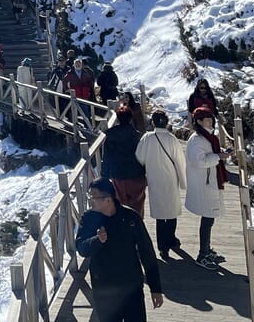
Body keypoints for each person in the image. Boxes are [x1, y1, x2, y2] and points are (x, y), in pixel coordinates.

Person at [75, 178, 164, 322]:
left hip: (131, 287)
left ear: (108, 199)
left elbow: (146, 252)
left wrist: (156, 288)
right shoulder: (89, 218)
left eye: (93, 197)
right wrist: (97, 240)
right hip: (104, 290)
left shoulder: (130, 217)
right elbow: (81, 248)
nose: (90, 200)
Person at [136, 110, 187, 258]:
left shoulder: (147, 138)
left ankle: (162, 246)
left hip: (154, 178)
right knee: (171, 211)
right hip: (170, 178)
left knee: (160, 213)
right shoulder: (172, 139)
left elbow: (139, 157)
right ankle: (171, 239)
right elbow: (180, 161)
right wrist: (183, 181)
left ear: (153, 122)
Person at [185, 107, 229, 266]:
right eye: (207, 119)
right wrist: (218, 156)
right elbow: (199, 161)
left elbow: (209, 154)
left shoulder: (207, 137)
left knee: (209, 218)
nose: (210, 122)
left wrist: (220, 153)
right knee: (208, 218)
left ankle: (206, 250)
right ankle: (203, 254)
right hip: (205, 183)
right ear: (199, 121)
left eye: (211, 119)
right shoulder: (197, 139)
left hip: (209, 181)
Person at [101, 105, 148, 216]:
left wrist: (104, 176)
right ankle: (137, 228)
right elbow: (143, 156)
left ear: (117, 118)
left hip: (118, 175)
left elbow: (106, 157)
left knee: (120, 206)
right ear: (130, 118)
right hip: (136, 175)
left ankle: (124, 230)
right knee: (137, 206)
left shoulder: (109, 135)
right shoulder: (137, 135)